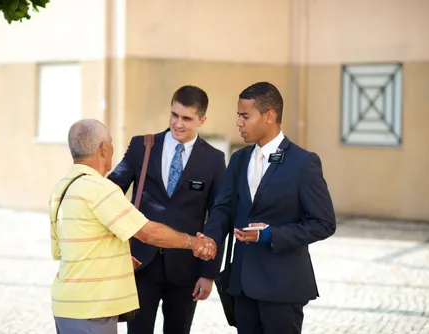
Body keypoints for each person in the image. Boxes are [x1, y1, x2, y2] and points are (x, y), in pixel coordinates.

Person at [49, 119, 217, 334]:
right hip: (92, 310)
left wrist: (117, 259)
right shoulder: (100, 189)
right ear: (103, 148)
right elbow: (148, 233)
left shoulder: (62, 188)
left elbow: (67, 249)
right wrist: (194, 242)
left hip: (66, 306)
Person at [202, 82, 336, 334]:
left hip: (282, 288)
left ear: (270, 116)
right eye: (238, 116)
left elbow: (324, 223)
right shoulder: (239, 159)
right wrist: (210, 238)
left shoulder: (303, 163)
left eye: (245, 116)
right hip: (241, 285)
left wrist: (271, 234)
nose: (239, 123)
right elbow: (223, 208)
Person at [108, 85, 226, 334]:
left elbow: (218, 216)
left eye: (186, 118)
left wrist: (209, 273)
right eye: (174, 115)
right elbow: (110, 191)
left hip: (186, 270)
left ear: (202, 120)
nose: (178, 123)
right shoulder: (142, 146)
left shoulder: (214, 160)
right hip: (140, 263)